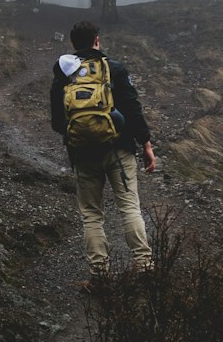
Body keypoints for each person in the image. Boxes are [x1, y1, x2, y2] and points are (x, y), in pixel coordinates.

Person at [50, 20, 156, 284]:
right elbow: (133, 109)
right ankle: (144, 267)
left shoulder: (64, 73)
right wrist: (146, 144)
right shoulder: (114, 69)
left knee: (91, 214)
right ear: (97, 40)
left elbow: (56, 121)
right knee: (129, 207)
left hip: (83, 154)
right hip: (119, 149)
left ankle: (99, 277)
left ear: (73, 44)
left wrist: (78, 135)